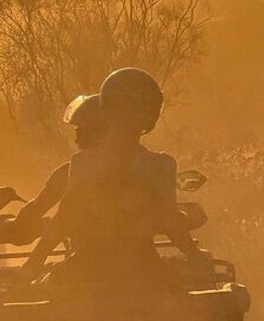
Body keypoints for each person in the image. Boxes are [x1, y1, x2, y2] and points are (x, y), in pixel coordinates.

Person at [21, 67, 205, 287]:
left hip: (86, 274)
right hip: (145, 272)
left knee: (41, 306)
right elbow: (170, 222)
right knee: (187, 300)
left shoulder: (82, 163)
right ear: (152, 114)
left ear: (107, 109)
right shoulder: (162, 165)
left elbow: (65, 217)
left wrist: (34, 263)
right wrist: (196, 257)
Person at [12, 94, 108, 238]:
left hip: (88, 255)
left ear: (93, 132)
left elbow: (38, 208)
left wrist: (15, 225)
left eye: (79, 131)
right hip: (138, 254)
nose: (76, 140)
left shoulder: (71, 171)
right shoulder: (140, 165)